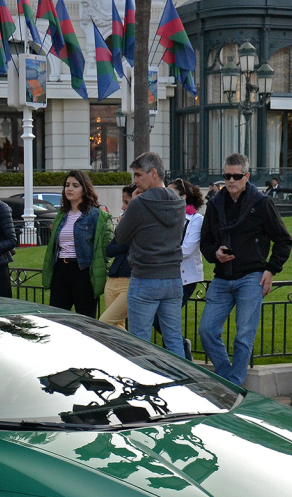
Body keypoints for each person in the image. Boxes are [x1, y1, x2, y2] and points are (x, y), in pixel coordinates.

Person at [197, 152, 292, 385]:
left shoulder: (261, 203)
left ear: (246, 176)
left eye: (236, 176)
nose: (230, 180)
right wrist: (215, 254)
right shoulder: (215, 204)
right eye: (226, 175)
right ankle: (226, 377)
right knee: (207, 330)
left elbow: (283, 240)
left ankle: (234, 384)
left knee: (243, 337)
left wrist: (271, 269)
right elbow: (205, 241)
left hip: (251, 277)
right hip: (221, 278)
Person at [112, 152, 187, 357]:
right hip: (173, 278)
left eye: (138, 175)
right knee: (173, 339)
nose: (135, 181)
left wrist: (130, 210)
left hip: (145, 277)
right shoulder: (179, 203)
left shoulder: (138, 204)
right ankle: (181, 384)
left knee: (140, 343)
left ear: (154, 173)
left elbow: (120, 237)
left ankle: (144, 387)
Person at [41, 170, 111, 317]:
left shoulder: (95, 215)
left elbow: (103, 248)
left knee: (85, 320)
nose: (69, 189)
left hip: (83, 272)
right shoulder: (62, 214)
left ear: (84, 189)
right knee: (57, 319)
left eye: (75, 185)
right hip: (61, 269)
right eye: (67, 185)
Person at [168, 178, 206, 356]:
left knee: (167, 319)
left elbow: (188, 249)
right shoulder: (166, 216)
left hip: (186, 278)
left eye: (171, 194)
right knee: (162, 319)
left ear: (183, 197)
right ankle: (181, 348)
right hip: (167, 275)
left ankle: (182, 353)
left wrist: (162, 252)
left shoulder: (196, 219)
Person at [100, 184, 137, 329]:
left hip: (129, 281)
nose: (122, 207)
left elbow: (129, 245)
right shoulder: (124, 224)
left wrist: (124, 237)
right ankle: (128, 352)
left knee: (105, 323)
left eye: (126, 202)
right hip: (113, 278)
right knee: (116, 327)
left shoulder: (141, 222)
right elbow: (109, 250)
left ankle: (135, 351)